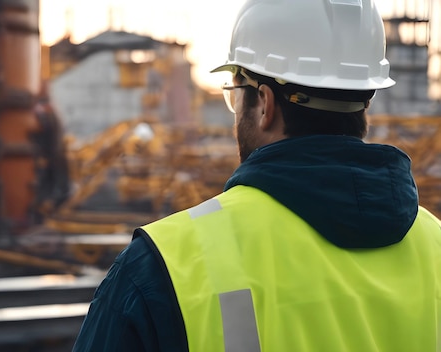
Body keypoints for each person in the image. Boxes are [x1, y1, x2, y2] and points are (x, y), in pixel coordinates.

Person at [72, 0, 441, 350]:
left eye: (235, 93)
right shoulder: (434, 244)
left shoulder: (162, 268)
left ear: (264, 103)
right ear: (365, 101)